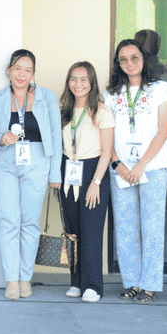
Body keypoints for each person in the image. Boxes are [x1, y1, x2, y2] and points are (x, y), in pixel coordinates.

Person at [104, 38, 167, 303]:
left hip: (152, 168)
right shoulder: (111, 93)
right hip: (121, 170)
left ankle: (150, 284)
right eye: (123, 59)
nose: (129, 64)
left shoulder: (162, 89)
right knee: (125, 228)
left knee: (152, 227)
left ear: (144, 59)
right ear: (117, 63)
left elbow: (164, 130)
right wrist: (118, 164)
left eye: (134, 57)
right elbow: (106, 134)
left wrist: (141, 165)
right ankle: (131, 282)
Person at [0, 49, 62, 300]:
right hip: (6, 162)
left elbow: (55, 136)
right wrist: (2, 138)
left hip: (37, 162)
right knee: (9, 221)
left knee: (30, 223)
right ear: (9, 70)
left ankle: (24, 278)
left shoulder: (47, 98)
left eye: (28, 70)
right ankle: (11, 280)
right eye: (17, 68)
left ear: (33, 73)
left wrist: (56, 173)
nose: (22, 74)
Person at [58, 61, 114, 303]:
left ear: (91, 82)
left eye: (83, 79)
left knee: (90, 230)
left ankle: (93, 285)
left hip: (92, 171)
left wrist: (96, 182)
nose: (78, 84)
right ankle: (76, 282)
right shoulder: (63, 111)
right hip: (68, 169)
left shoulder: (102, 112)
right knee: (73, 231)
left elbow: (107, 150)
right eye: (73, 78)